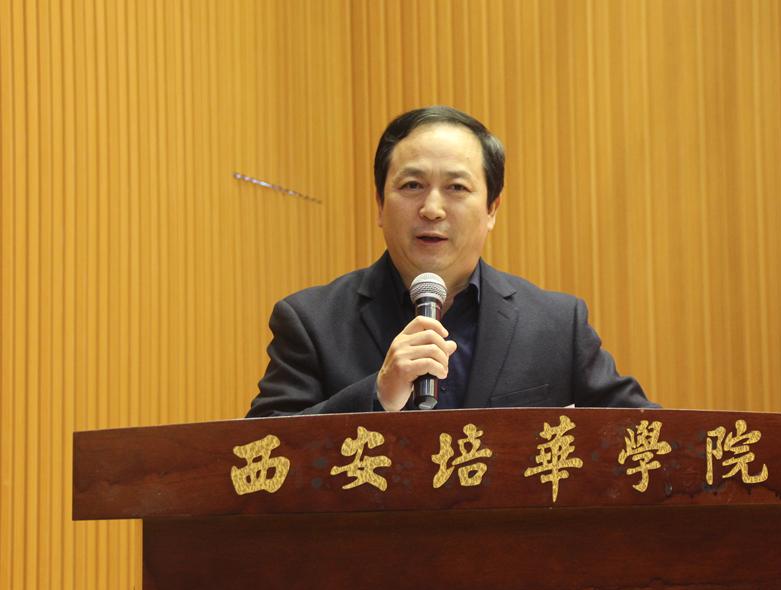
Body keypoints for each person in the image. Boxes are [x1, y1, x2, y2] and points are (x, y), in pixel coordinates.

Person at [247, 106, 655, 417]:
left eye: (456, 187)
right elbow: (258, 459)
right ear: (380, 205)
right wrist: (377, 394)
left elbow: (649, 439)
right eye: (412, 185)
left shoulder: (556, 325)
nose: (432, 208)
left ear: (492, 208)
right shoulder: (311, 321)